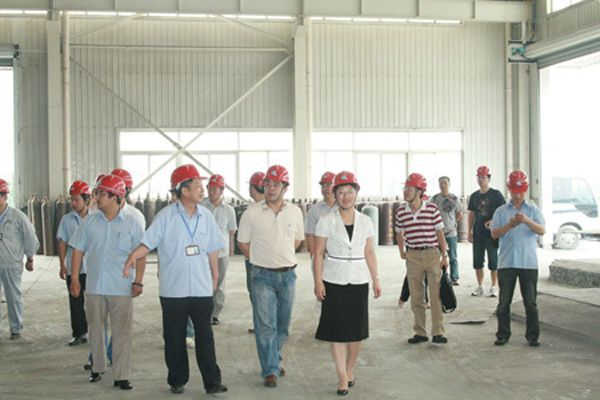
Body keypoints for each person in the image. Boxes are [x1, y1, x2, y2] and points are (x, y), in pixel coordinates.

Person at [123, 164, 227, 395]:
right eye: (197, 186)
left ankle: (212, 382)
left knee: (205, 337)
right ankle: (177, 380)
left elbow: (213, 248)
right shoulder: (166, 217)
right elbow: (148, 243)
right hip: (173, 290)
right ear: (183, 190)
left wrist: (215, 275)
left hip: (201, 287)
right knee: (174, 337)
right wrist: (133, 257)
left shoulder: (206, 217)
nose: (202, 190)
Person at [69, 174, 146, 390]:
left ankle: (121, 375)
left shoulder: (133, 222)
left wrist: (138, 281)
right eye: (97, 193)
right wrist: (74, 278)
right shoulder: (90, 222)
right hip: (95, 286)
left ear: (116, 197)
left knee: (122, 332)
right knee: (95, 329)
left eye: (102, 194)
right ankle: (97, 368)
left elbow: (141, 254)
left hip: (121, 287)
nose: (97, 197)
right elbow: (78, 250)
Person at [313, 171, 381, 396]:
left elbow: (369, 252)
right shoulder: (326, 221)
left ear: (356, 193)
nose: (345, 196)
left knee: (356, 331)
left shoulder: (366, 221)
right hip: (334, 280)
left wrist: (376, 279)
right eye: (340, 192)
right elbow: (318, 253)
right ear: (335, 195)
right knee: (337, 331)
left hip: (359, 280)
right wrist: (318, 282)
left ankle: (350, 369)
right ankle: (342, 376)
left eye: (349, 192)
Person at [237, 165, 304, 388]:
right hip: (261, 276)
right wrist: (260, 260)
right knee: (265, 325)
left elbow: (297, 241)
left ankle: (273, 358)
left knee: (283, 325)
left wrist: (281, 256)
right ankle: (270, 369)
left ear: (285, 187)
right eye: (267, 184)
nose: (271, 188)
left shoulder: (295, 212)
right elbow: (243, 243)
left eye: (276, 184)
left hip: (288, 276)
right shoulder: (252, 213)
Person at [491, 170, 545, 347]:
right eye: (515, 191)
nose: (518, 195)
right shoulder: (501, 211)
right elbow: (494, 233)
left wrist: (527, 221)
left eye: (521, 191)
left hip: (528, 263)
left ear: (525, 190)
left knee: (530, 303)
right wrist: (510, 225)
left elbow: (542, 230)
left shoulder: (533, 210)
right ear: (509, 190)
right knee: (504, 302)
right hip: (507, 262)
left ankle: (533, 336)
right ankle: (503, 334)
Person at [394, 173, 449, 345]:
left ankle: (438, 332)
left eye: (409, 189)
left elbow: (440, 233)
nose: (405, 192)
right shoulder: (401, 211)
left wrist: (444, 255)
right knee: (416, 296)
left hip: (432, 254)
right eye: (405, 188)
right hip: (413, 256)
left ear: (419, 191)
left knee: (435, 295)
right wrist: (402, 251)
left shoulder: (432, 209)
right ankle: (420, 332)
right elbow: (399, 232)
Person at [0, 179, 39, 340]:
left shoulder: (17, 217)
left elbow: (30, 237)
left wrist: (30, 257)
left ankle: (15, 328)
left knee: (13, 297)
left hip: (11, 263)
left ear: (4, 196)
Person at [57, 180, 91, 346]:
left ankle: (96, 331)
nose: (73, 203)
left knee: (94, 302)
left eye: (77, 199)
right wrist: (62, 264)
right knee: (75, 301)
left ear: (86, 199)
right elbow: (62, 242)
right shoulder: (66, 220)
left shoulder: (96, 218)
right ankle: (79, 333)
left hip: (92, 268)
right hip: (73, 268)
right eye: (72, 199)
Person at [201, 174, 237, 326]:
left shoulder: (229, 210)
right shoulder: (200, 206)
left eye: (215, 189)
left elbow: (231, 231)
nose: (211, 192)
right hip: (203, 253)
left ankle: (215, 313)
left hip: (222, 253)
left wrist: (231, 250)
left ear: (222, 190)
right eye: (210, 188)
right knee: (204, 282)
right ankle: (203, 312)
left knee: (219, 284)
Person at [468, 166, 506, 297]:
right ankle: (480, 286)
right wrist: (469, 231)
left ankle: (494, 286)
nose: (481, 180)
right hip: (478, 233)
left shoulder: (496, 195)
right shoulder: (474, 196)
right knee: (477, 262)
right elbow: (471, 214)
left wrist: (494, 221)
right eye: (479, 177)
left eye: (483, 177)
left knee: (493, 262)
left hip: (492, 234)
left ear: (488, 178)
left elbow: (503, 212)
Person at [431, 176, 464, 285]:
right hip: (437, 233)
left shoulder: (454, 198)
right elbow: (429, 212)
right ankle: (438, 277)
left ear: (449, 184)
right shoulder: (435, 199)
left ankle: (454, 278)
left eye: (445, 183)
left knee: (453, 257)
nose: (443, 185)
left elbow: (460, 213)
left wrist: (453, 223)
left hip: (451, 233)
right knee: (436, 257)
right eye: (440, 183)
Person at [244, 171, 265, 334]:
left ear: (254, 188)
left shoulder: (254, 210)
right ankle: (261, 323)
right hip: (256, 258)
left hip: (256, 259)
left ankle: (263, 325)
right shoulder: (269, 206)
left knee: (258, 293)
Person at [305, 171, 337, 258]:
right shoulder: (314, 210)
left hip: (340, 256)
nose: (325, 188)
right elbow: (310, 235)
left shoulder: (343, 208)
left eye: (328, 185)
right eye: (323, 185)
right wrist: (315, 257)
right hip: (322, 256)